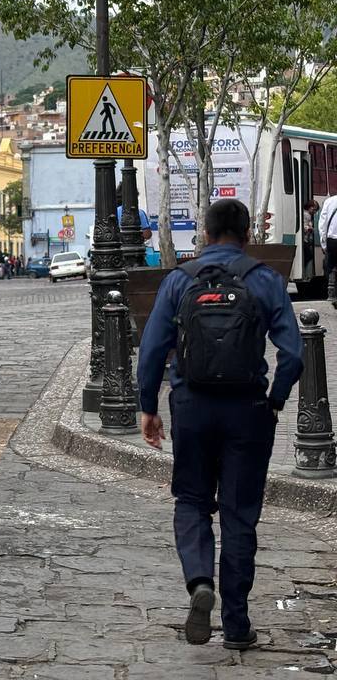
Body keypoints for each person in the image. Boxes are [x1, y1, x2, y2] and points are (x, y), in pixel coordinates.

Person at [137, 199, 303, 651]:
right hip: (247, 409)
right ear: (247, 234)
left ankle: (197, 583)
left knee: (191, 500)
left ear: (205, 235)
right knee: (239, 513)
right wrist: (275, 400)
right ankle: (236, 624)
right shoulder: (264, 280)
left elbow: (152, 348)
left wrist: (148, 407)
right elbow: (293, 354)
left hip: (191, 406)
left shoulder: (179, 282)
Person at [318, 193, 337, 305]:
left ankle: (331, 294)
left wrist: (323, 243)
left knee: (332, 266)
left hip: (332, 240)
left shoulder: (329, 201)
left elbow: (322, 225)